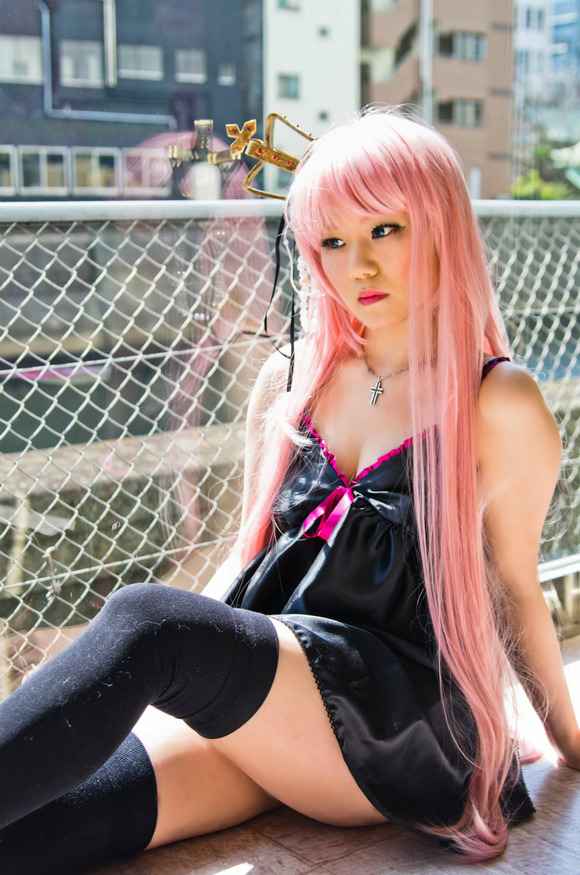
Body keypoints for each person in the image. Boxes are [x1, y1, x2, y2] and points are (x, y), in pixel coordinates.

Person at [0, 104, 576, 872]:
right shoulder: (293, 380)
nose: (357, 266)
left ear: (442, 226)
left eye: (385, 230)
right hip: (284, 702)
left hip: (394, 719)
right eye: (332, 241)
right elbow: (248, 559)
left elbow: (514, 586)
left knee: (148, 619)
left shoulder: (496, 400)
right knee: (40, 823)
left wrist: (570, 740)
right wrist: (174, 675)